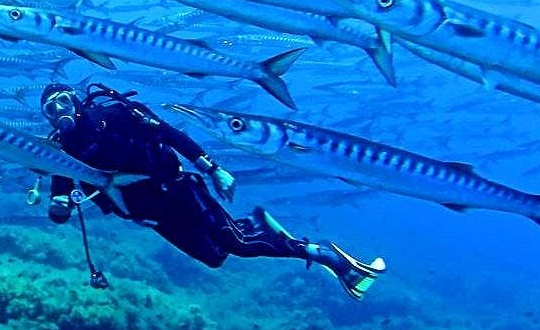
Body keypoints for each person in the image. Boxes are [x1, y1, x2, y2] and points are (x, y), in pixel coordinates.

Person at [40, 83, 386, 300]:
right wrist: (58, 209)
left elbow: (171, 135)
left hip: (177, 190)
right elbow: (60, 196)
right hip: (149, 216)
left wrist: (213, 168)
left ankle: (327, 255)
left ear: (77, 100)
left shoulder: (116, 115)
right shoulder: (61, 149)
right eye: (51, 110)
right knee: (215, 258)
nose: (60, 112)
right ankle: (256, 223)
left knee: (239, 246)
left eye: (63, 101)